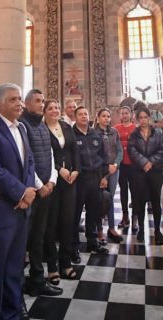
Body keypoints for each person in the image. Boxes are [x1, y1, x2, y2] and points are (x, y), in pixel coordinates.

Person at [0, 83, 37, 320]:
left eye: (20, 99)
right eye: (13, 100)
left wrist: (28, 190)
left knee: (16, 265)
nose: (19, 103)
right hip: (4, 209)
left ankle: (13, 308)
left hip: (22, 208)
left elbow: (30, 162)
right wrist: (20, 193)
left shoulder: (23, 128)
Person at [19, 89, 62, 297]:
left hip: (47, 188)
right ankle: (18, 286)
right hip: (31, 192)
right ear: (27, 104)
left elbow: (51, 154)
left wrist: (52, 180)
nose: (41, 104)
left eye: (43, 100)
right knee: (23, 239)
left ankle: (37, 279)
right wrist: (39, 185)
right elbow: (27, 160)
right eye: (37, 101)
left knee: (39, 236)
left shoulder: (43, 126)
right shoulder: (22, 126)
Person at [43, 99, 80, 281]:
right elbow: (44, 155)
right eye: (50, 108)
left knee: (67, 222)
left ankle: (65, 263)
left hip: (70, 181)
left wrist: (76, 170)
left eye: (57, 107)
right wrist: (60, 169)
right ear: (44, 112)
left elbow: (75, 150)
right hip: (53, 181)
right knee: (52, 224)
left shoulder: (66, 126)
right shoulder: (42, 129)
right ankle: (52, 267)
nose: (55, 110)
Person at [128, 107, 163, 244]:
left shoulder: (158, 133)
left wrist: (151, 162)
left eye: (146, 117)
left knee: (155, 201)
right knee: (140, 201)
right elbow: (131, 150)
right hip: (139, 172)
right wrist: (143, 162)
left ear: (149, 118)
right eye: (141, 118)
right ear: (137, 119)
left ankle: (157, 231)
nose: (143, 120)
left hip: (155, 171)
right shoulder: (134, 134)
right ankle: (141, 230)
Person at [72, 106, 109, 255]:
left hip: (95, 178)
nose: (83, 116)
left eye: (85, 114)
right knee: (75, 213)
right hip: (79, 179)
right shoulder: (71, 134)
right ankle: (73, 246)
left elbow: (103, 156)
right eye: (80, 114)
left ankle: (92, 242)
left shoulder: (95, 134)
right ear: (75, 117)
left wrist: (104, 176)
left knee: (93, 212)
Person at [94, 108, 123, 243]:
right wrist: (103, 172)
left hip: (113, 170)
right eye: (103, 116)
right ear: (98, 118)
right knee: (99, 199)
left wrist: (115, 165)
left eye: (108, 116)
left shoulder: (114, 131)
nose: (106, 118)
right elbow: (94, 155)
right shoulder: (93, 133)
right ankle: (99, 229)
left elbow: (119, 151)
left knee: (110, 198)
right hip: (100, 171)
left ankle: (111, 227)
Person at [114, 106, 137, 232]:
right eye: (122, 113)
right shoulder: (116, 128)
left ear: (131, 114)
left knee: (134, 190)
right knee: (123, 190)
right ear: (119, 115)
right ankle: (125, 216)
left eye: (126, 113)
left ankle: (135, 217)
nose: (124, 115)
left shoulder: (135, 128)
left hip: (133, 163)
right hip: (121, 164)